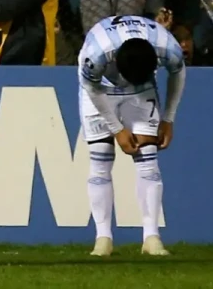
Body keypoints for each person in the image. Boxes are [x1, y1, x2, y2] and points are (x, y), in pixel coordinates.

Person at [78, 13, 186, 258]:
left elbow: (178, 74)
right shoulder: (95, 55)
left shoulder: (168, 47)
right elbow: (91, 88)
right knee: (100, 158)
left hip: (142, 90)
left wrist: (168, 118)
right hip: (100, 88)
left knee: (149, 160)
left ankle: (151, 237)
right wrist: (117, 128)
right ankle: (103, 238)